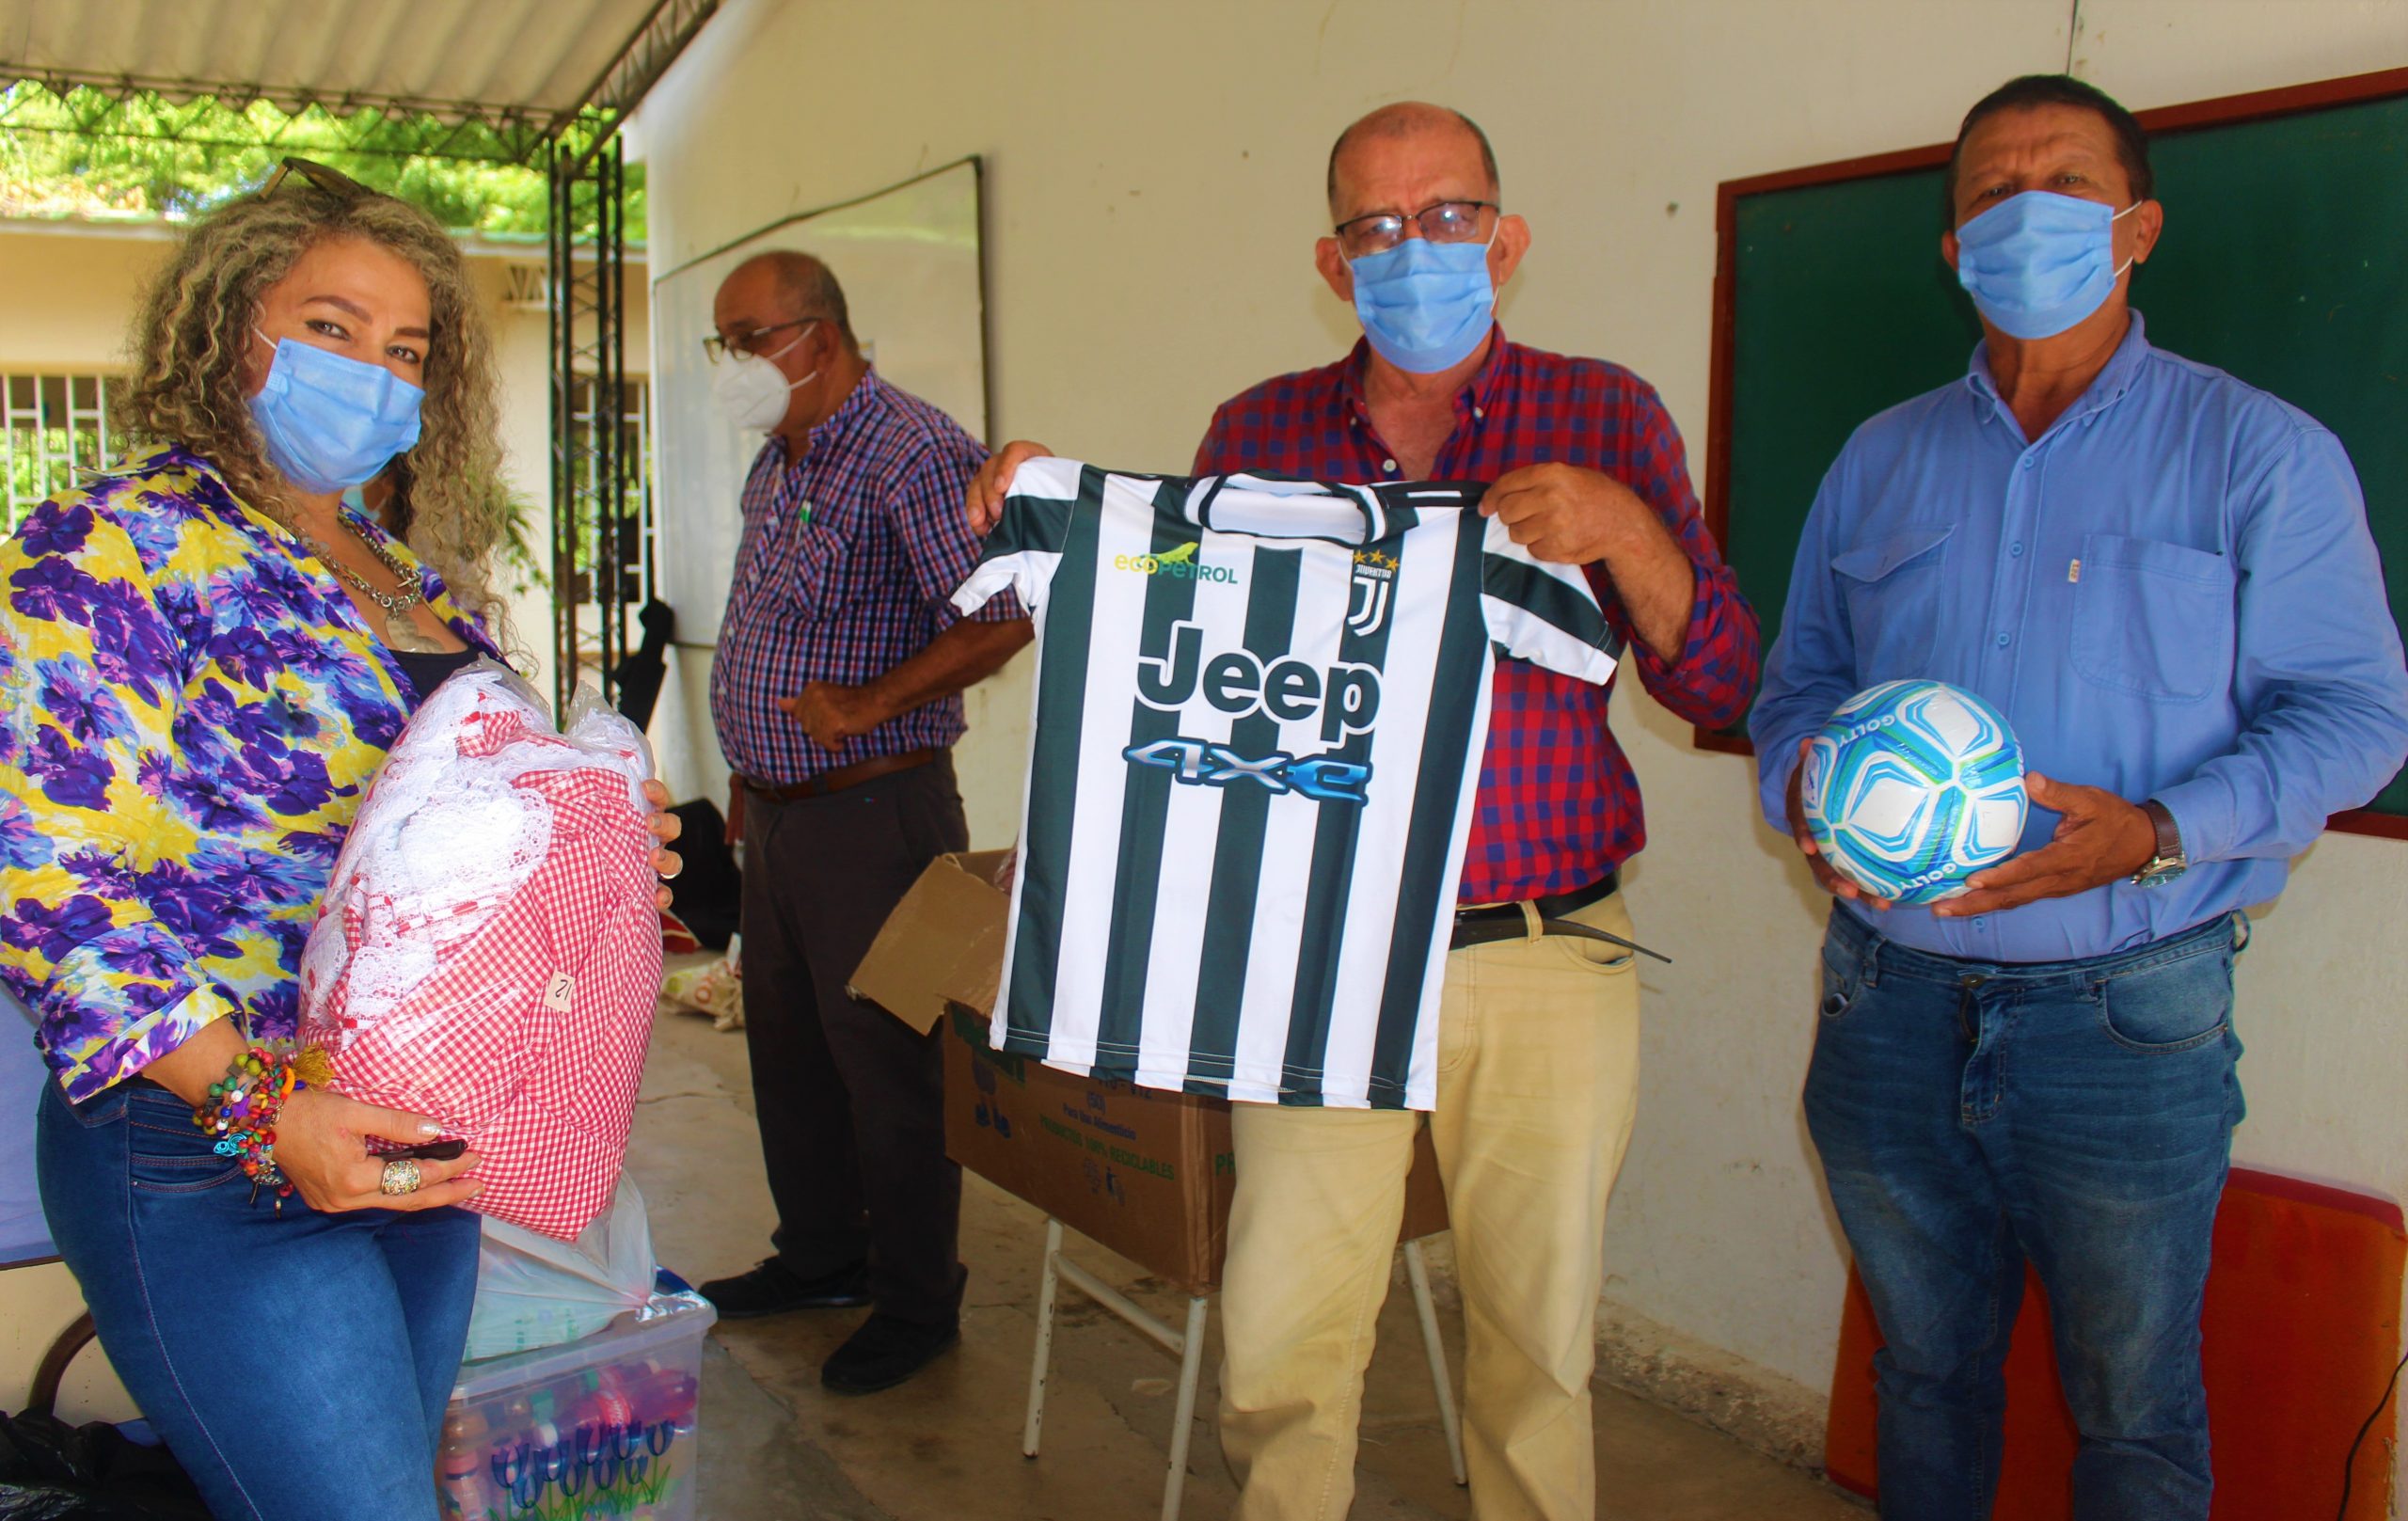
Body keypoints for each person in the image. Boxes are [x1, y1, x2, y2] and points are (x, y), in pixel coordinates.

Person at [969, 103, 1761, 1520]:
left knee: (1539, 1350)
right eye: (1377, 226)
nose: (1415, 248)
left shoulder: (1607, 413)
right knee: (1282, 1338)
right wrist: (1055, 510)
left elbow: (1722, 684)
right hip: (1314, 957)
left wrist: (1626, 531)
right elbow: (1179, 637)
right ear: (1333, 264)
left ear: (1506, 238)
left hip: (1544, 947)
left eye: (1448, 215)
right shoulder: (1259, 431)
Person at [1749, 75, 2408, 1521]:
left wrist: (2161, 831)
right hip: (1887, 1002)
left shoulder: (2260, 453)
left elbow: (2361, 715)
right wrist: (1808, 786)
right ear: (1953, 245)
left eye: (2066, 187)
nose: (2024, 215)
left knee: (2134, 1411)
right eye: (1992, 194)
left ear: (2138, 228)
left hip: (2127, 1018)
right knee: (1922, 1373)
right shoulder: (1879, 457)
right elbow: (1799, 685)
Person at [0, 158, 684, 1521]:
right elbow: (46, 883)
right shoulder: (117, 547)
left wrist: (595, 834)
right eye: (332, 327)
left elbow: (449, 819)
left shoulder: (400, 572)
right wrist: (268, 1110)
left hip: (412, 1128)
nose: (374, 371)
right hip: (209, 1141)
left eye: (406, 349)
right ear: (228, 330)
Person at [697, 250, 1030, 1394]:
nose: (733, 363)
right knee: (791, 1058)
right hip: (782, 814)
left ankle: (917, 1299)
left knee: (889, 1067)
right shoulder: (780, 458)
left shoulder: (911, 451)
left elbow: (1003, 612)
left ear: (820, 339)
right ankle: (821, 1258)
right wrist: (751, 773)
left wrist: (873, 703)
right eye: (723, 342)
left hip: (876, 814)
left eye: (749, 338)